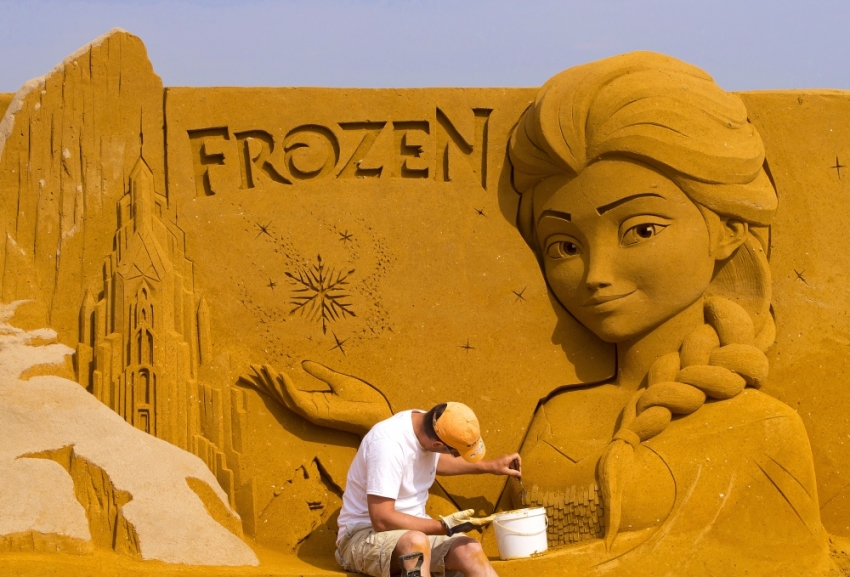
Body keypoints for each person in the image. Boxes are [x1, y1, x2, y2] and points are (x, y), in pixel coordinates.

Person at [504, 51, 837, 574]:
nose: (595, 274)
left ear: (727, 229)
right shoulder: (555, 417)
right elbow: (492, 537)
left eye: (640, 230)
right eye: (564, 246)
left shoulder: (762, 427)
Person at [334, 402, 520, 577]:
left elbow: (435, 460)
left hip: (414, 534)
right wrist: (444, 527)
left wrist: (490, 466)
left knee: (469, 548)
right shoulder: (388, 445)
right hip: (362, 536)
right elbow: (381, 520)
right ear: (437, 445)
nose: (456, 457)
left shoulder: (432, 423)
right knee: (415, 545)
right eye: (456, 453)